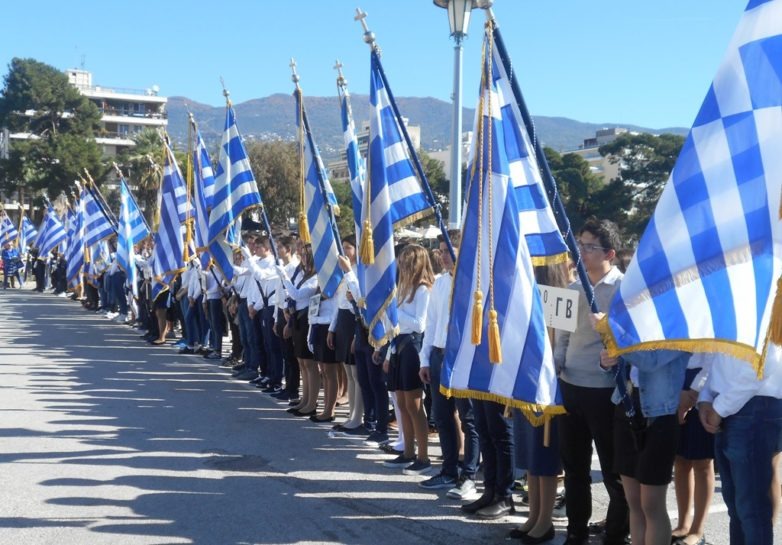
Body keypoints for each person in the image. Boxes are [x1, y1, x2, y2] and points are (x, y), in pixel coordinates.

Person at [554, 218, 629, 545]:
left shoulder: (624, 289)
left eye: (588, 247)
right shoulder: (572, 288)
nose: (580, 252)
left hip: (605, 391)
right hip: (570, 385)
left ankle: (616, 532)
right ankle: (576, 531)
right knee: (574, 467)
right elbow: (562, 340)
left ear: (609, 253)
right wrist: (556, 367)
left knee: (614, 471)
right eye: (579, 245)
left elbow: (629, 342)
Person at [600, 348, 689, 545]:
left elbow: (650, 360)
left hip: (659, 413)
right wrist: (607, 359)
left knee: (651, 504)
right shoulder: (634, 321)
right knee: (633, 501)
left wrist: (619, 345)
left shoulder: (676, 321)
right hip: (626, 404)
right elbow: (619, 363)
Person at [509, 262, 570, 544]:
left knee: (544, 458)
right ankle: (534, 514)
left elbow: (559, 347)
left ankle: (545, 520)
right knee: (531, 458)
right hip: (527, 385)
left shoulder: (560, 299)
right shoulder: (526, 300)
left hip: (549, 389)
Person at [697, 348, 782, 545]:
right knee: (738, 506)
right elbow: (717, 357)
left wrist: (719, 406)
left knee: (751, 508)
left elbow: (763, 366)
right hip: (734, 407)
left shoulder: (763, 316)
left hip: (753, 408)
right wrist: (706, 398)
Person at [418, 231, 480, 500]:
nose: (443, 256)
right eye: (441, 251)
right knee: (442, 416)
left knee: (469, 418)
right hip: (440, 355)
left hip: (464, 356)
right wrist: (425, 358)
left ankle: (469, 475)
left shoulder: (472, 281)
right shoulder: (441, 283)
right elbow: (431, 324)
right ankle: (448, 469)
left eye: (449, 250)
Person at [381, 244, 434, 475]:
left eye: (406, 262)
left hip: (413, 347)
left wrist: (394, 311)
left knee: (414, 404)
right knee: (401, 403)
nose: (402, 266)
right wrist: (389, 353)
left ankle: (423, 455)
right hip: (399, 347)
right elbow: (395, 326)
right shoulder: (403, 288)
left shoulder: (423, 290)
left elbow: (420, 324)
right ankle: (408, 451)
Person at [671, 353, 714, 545]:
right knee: (680, 460)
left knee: (702, 462)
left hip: (703, 388)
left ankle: (697, 530)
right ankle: (683, 524)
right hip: (676, 380)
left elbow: (713, 359)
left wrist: (692, 393)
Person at [278, 244, 320, 417]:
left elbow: (296, 294)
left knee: (309, 364)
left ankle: (312, 402)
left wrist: (284, 276)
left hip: (307, 321)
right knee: (301, 363)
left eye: (306, 256)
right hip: (297, 320)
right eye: (302, 255)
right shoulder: (303, 275)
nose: (302, 258)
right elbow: (290, 296)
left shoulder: (315, 278)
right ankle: (305, 399)